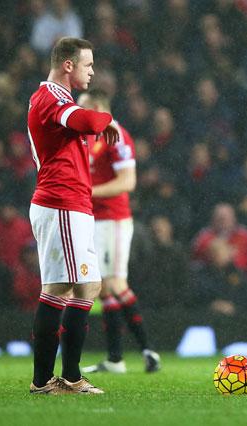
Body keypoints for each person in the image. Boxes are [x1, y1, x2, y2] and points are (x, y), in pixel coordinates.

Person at [27, 37, 119, 394]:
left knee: (88, 286)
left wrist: (97, 122)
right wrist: (104, 117)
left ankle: (68, 377)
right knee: (59, 289)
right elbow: (83, 118)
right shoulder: (52, 97)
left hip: (73, 203)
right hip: (60, 202)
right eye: (88, 65)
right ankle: (45, 381)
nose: (92, 71)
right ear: (68, 65)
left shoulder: (55, 97)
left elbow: (81, 121)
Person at [77, 89, 161, 375]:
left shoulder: (116, 135)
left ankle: (149, 350)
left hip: (112, 219)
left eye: (83, 107)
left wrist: (85, 192)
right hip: (92, 218)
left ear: (98, 108)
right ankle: (115, 360)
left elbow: (127, 181)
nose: (78, 111)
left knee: (114, 285)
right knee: (105, 290)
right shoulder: (88, 137)